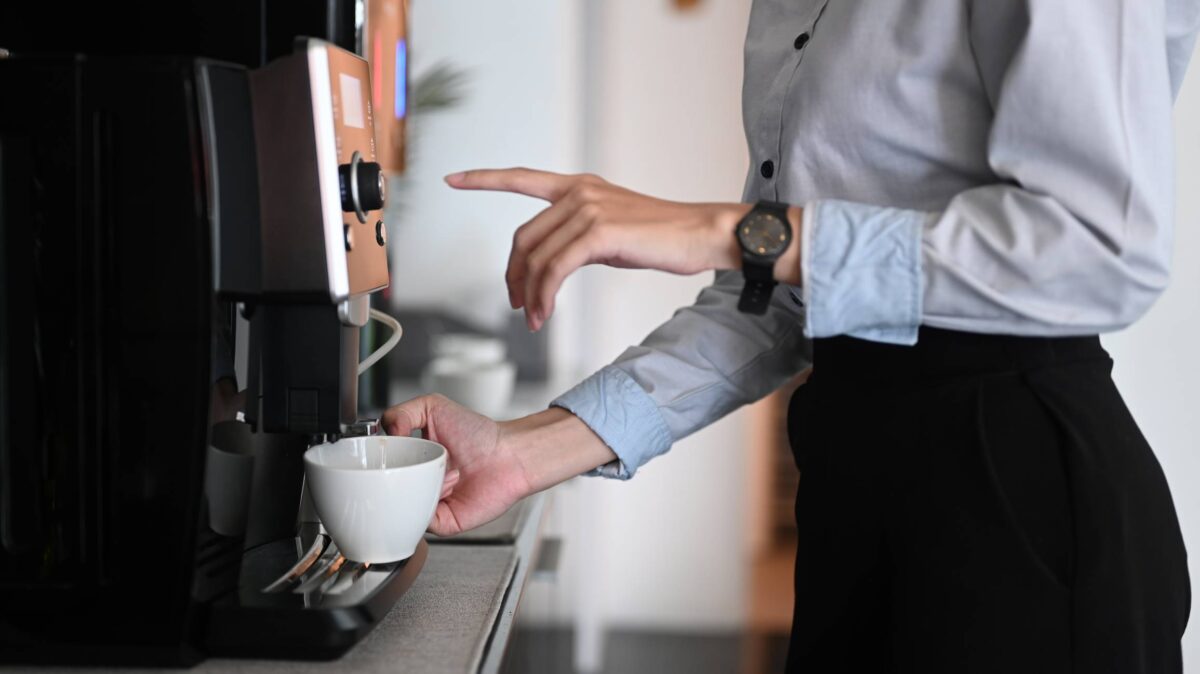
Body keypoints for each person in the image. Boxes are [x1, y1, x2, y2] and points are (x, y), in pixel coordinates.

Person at [383, 1, 1198, 671]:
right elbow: (773, 294)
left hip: (1022, 500)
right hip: (854, 491)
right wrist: (527, 451)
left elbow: (1100, 248)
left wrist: (729, 229)